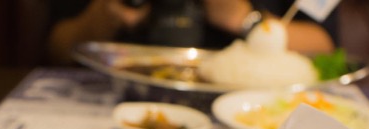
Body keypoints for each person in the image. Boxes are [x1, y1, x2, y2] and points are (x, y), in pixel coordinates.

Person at [47, 0, 338, 65]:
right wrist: (103, 16)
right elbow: (56, 46)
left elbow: (325, 46)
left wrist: (244, 20)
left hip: (249, 108)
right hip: (120, 101)